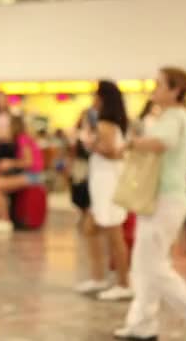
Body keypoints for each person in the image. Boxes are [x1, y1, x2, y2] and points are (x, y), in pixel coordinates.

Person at [114, 67, 186, 341]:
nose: (154, 88)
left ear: (175, 90)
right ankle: (142, 324)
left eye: (160, 84)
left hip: (167, 198)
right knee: (144, 262)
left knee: (152, 264)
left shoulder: (175, 116)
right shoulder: (169, 116)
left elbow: (165, 141)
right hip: (159, 198)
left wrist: (133, 143)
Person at [75, 81, 131, 301]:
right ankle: (98, 277)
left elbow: (111, 152)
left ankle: (124, 283)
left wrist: (90, 144)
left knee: (114, 233)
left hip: (108, 183)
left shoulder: (106, 124)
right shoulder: (109, 123)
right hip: (102, 182)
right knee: (90, 228)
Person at [0, 116, 44, 226]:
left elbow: (28, 162)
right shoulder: (22, 138)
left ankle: (4, 220)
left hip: (33, 176)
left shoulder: (22, 139)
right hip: (30, 175)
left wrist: (9, 163)